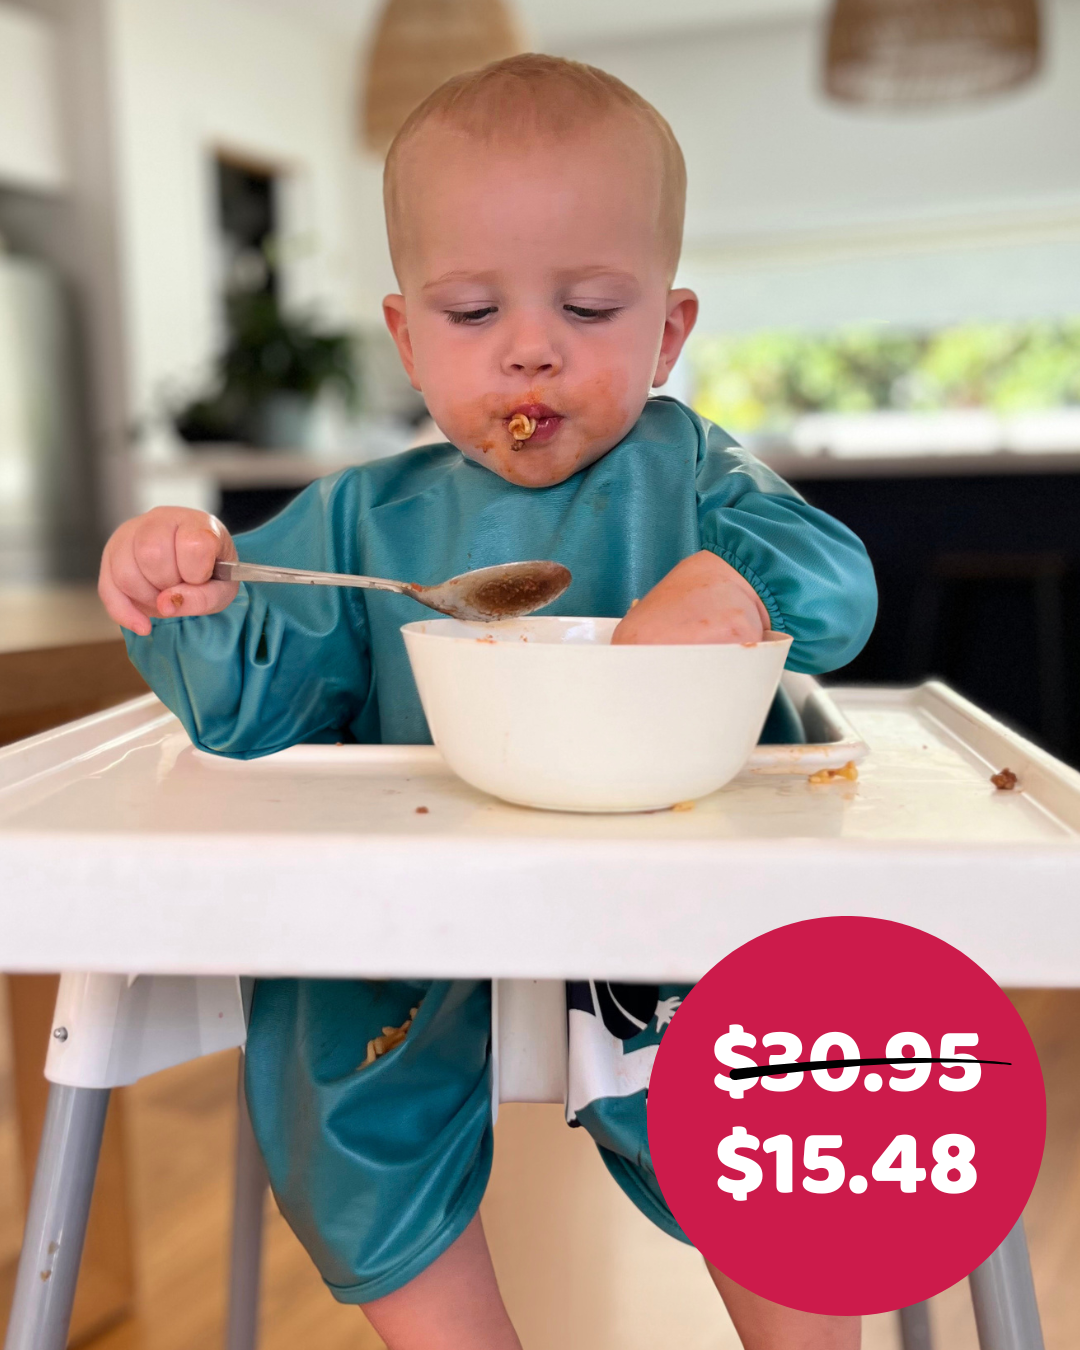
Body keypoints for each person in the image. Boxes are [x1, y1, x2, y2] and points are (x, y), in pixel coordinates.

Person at [99, 54, 876, 1350]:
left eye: (587, 305)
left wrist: (729, 584)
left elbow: (835, 587)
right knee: (317, 1028)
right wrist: (192, 596)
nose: (531, 347)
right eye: (472, 312)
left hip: (684, 909)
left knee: (784, 1061)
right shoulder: (363, 518)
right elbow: (245, 709)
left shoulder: (692, 477)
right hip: (422, 922)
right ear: (406, 335)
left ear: (669, 332)